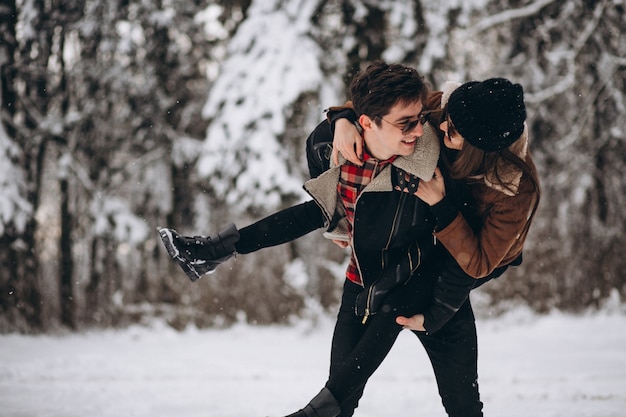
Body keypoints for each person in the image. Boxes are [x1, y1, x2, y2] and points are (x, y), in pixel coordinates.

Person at [159, 66, 541, 417]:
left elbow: (475, 264)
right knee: (354, 375)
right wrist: (340, 119)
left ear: (481, 146)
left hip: (454, 268)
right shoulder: (437, 119)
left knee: (459, 398)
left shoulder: (511, 188)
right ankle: (215, 253)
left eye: (451, 131)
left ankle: (319, 407)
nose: (435, 130)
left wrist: (441, 210)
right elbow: (381, 104)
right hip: (380, 268)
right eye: (435, 121)